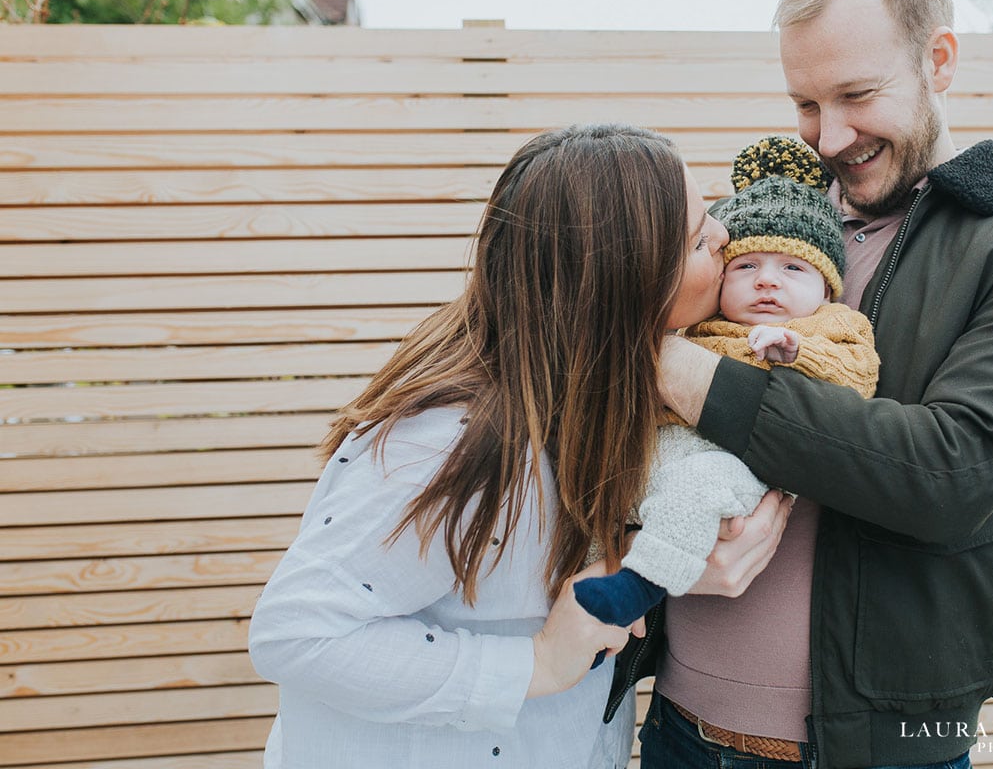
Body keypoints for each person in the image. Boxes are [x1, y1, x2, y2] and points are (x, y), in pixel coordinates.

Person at [622, 0, 993, 768]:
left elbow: (950, 470)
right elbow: (625, 432)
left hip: (881, 749)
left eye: (857, 94)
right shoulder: (748, 236)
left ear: (940, 59)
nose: (828, 136)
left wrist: (665, 363)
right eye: (806, 105)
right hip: (678, 725)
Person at [247, 123, 791, 769]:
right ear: (628, 282)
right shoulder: (452, 440)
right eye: (700, 238)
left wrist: (659, 564)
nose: (726, 238)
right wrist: (533, 663)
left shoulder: (597, 399)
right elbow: (297, 633)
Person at [573, 135, 879, 630]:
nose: (766, 281)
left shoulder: (829, 326)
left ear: (826, 287)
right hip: (659, 448)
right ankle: (588, 611)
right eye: (747, 265)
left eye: (793, 268)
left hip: (735, 462)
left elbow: (858, 377)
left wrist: (797, 350)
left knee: (697, 490)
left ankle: (639, 587)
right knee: (600, 493)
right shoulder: (696, 324)